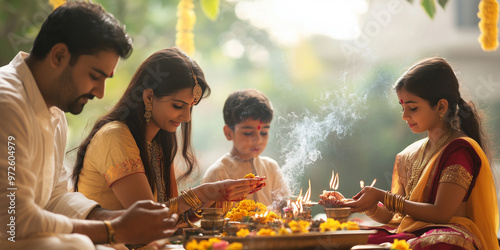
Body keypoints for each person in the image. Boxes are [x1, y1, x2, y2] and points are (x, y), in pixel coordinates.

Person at [0, 2, 180, 249]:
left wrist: (117, 219)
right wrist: (113, 230)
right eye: (95, 76)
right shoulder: (7, 103)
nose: (100, 92)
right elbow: (12, 220)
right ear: (59, 56)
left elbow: (55, 197)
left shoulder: (53, 111)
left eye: (105, 79)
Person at [71, 48, 265, 225]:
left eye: (190, 107)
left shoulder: (158, 142)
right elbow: (148, 218)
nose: (186, 116)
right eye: (178, 106)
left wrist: (211, 199)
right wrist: (205, 191)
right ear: (148, 97)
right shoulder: (115, 136)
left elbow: (170, 222)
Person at [324, 57, 499, 249]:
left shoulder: (459, 150)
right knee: (341, 238)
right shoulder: (410, 154)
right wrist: (367, 205)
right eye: (402, 107)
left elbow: (441, 214)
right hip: (413, 232)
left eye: (413, 108)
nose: (404, 115)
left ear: (441, 106)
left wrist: (382, 196)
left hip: (447, 237)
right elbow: (395, 216)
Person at [202, 89, 290, 208]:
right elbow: (209, 218)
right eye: (248, 133)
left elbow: (286, 208)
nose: (258, 140)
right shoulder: (218, 172)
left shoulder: (271, 167)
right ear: (228, 133)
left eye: (264, 132)